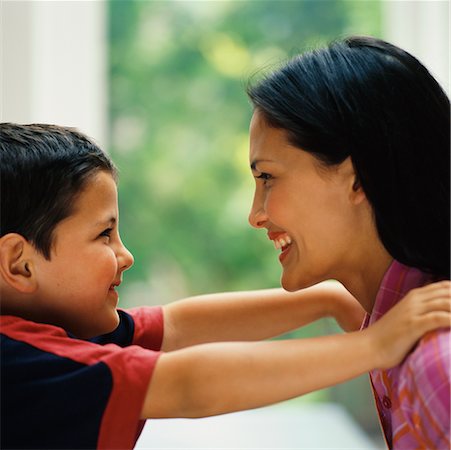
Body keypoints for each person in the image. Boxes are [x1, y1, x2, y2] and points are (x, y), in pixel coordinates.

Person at [0, 123, 449, 449]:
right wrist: (376, 345)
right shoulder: (22, 361)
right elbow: (189, 385)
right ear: (19, 264)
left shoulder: (52, 331)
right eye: (104, 235)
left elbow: (177, 326)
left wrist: (326, 300)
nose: (125, 255)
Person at [246, 35, 450, 449]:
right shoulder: (392, 333)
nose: (255, 215)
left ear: (358, 178)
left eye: (267, 177)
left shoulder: (437, 364)